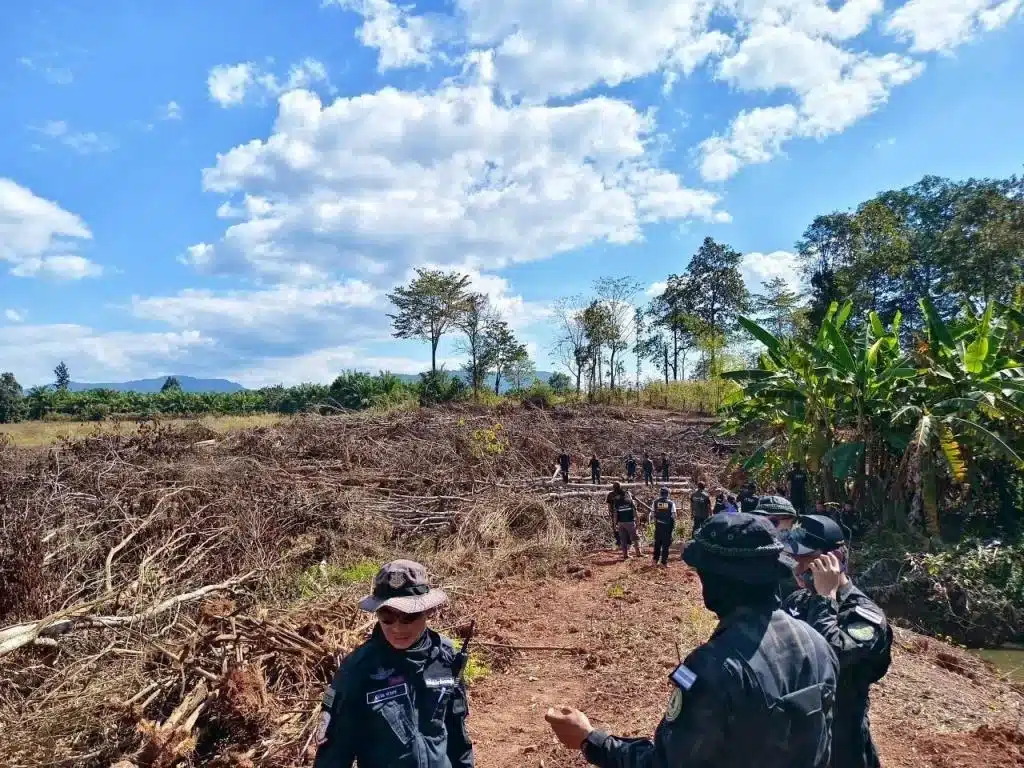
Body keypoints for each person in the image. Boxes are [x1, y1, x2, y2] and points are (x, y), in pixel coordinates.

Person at [545, 513, 839, 768]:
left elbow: (665, 764)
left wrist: (589, 739)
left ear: (716, 582)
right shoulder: (818, 643)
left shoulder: (713, 669)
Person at [313, 560, 474, 768]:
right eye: (387, 617)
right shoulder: (358, 669)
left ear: (428, 612)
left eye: (409, 617)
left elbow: (457, 734)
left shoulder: (446, 656)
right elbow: (333, 756)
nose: (397, 628)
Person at [781, 516, 892, 768]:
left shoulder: (863, 614)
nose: (796, 568)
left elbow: (829, 656)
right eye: (793, 558)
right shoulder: (797, 602)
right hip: (796, 737)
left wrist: (826, 599)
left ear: (835, 561)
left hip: (841, 743)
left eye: (805, 558)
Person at [752, 495, 802, 601]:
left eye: (773, 520)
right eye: (760, 518)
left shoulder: (802, 547)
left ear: (791, 520)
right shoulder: (750, 546)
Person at [611, 485, 642, 560]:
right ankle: (638, 553)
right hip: (630, 522)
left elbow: (615, 514)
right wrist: (638, 521)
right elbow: (635, 512)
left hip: (621, 523)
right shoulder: (629, 501)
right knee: (635, 537)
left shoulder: (616, 502)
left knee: (623, 539)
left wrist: (615, 524)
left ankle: (625, 555)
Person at [650, 487, 676, 566]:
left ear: (660, 493)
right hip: (667, 527)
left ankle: (655, 561)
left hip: (658, 526)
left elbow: (653, 514)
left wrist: (656, 522)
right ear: (667, 494)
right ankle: (663, 562)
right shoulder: (671, 503)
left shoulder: (655, 502)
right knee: (666, 545)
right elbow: (674, 515)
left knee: (657, 544)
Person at [606, 482, 624, 547]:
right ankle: (624, 542)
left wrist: (610, 513)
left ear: (613, 487)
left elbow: (609, 505)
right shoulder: (623, 493)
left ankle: (619, 542)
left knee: (615, 527)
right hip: (622, 512)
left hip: (614, 513)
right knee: (623, 527)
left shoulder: (610, 494)